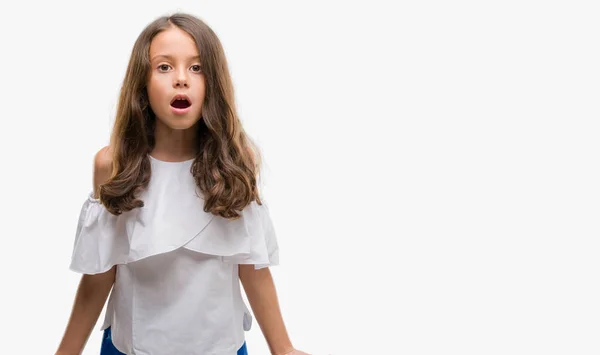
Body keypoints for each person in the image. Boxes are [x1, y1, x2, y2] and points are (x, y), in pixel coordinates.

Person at [55, 12, 310, 355]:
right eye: (164, 67)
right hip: (131, 347)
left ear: (213, 82)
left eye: (196, 67)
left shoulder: (236, 164)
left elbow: (252, 267)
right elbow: (100, 274)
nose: (181, 79)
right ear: (142, 83)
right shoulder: (113, 165)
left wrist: (283, 348)